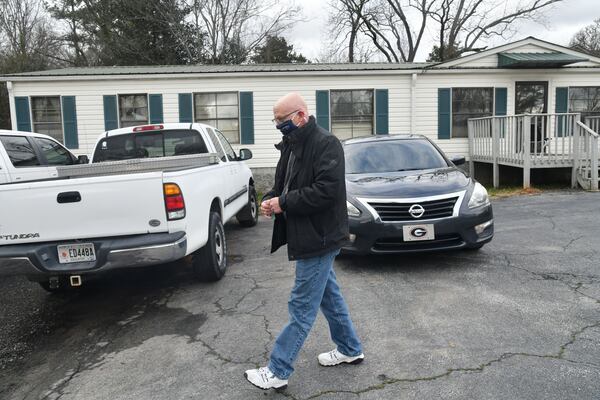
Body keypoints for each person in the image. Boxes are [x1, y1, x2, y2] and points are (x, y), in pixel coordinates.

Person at [244, 93, 364, 391]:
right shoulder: (292, 144)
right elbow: (285, 182)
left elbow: (326, 190)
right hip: (309, 234)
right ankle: (350, 349)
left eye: (282, 120)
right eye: (275, 121)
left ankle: (278, 370)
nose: (278, 126)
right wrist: (272, 198)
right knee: (328, 296)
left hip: (320, 236)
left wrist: (284, 203)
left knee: (301, 305)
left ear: (300, 115)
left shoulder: (326, 143)